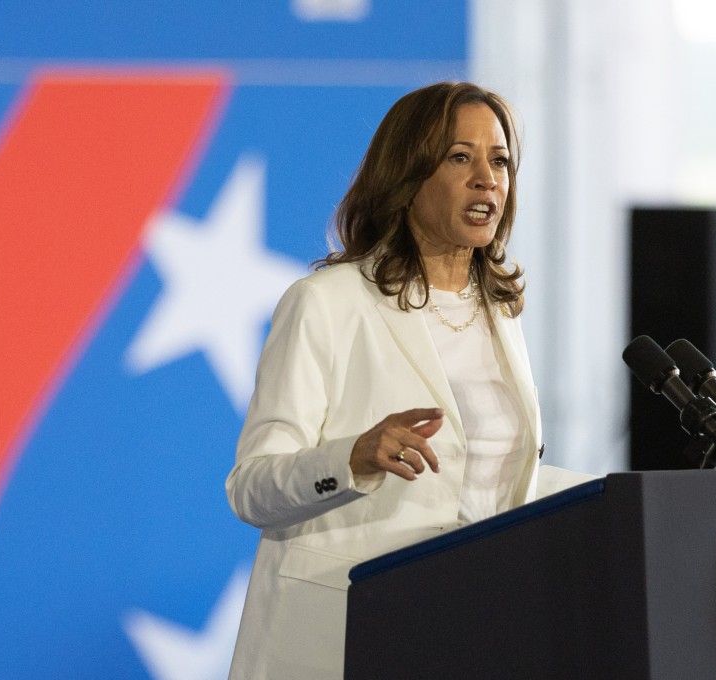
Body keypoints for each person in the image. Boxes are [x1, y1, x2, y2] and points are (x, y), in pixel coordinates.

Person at [225, 82, 544, 679]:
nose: (487, 179)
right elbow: (251, 489)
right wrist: (352, 459)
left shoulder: (500, 310)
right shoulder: (326, 303)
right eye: (460, 157)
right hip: (345, 635)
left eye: (500, 161)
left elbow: (488, 483)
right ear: (407, 177)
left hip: (474, 632)